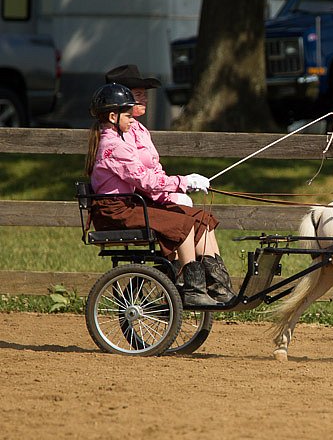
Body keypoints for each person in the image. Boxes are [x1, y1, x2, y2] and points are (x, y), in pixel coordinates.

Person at [85, 83, 235, 307]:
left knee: (201, 219)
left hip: (129, 205)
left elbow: (147, 179)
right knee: (182, 225)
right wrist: (184, 182)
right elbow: (145, 180)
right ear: (113, 117)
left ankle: (219, 285)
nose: (131, 119)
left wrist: (177, 187)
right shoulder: (115, 146)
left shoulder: (120, 141)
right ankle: (192, 287)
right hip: (116, 211)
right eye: (127, 115)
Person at [103, 64, 193, 207]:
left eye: (145, 94)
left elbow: (154, 167)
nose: (145, 99)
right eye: (139, 95)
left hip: (150, 195)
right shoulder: (118, 137)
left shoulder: (141, 130)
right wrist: (179, 184)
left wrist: (168, 192)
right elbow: (137, 176)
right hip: (137, 201)